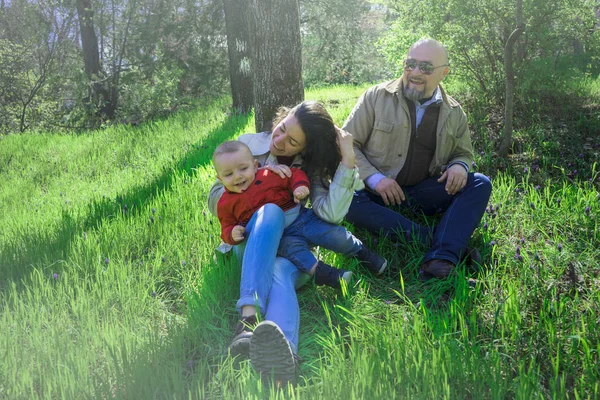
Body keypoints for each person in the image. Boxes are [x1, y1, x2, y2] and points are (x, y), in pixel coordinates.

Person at [207, 101, 382, 386]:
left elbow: (332, 214)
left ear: (304, 149)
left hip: (292, 254)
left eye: (291, 142)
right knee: (271, 211)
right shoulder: (247, 146)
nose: (279, 141)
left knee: (279, 273)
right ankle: (248, 316)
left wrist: (348, 159)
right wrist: (255, 177)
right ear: (282, 117)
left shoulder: (307, 169)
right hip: (251, 247)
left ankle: (284, 356)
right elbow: (216, 200)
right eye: (281, 128)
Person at [342, 38, 492, 281]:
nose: (415, 73)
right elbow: (347, 144)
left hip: (421, 194)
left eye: (426, 67)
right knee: (346, 200)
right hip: (373, 194)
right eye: (410, 64)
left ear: (444, 72)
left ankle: (439, 257)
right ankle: (443, 248)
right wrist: (376, 179)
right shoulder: (376, 96)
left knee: (479, 183)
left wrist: (459, 166)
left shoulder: (454, 112)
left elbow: (463, 153)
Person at [212, 140, 386, 289]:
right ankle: (330, 276)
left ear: (256, 166)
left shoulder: (268, 175)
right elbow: (226, 225)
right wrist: (231, 233)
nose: (237, 177)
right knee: (297, 254)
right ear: (220, 179)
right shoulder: (225, 202)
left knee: (333, 234)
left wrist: (299, 186)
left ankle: (364, 254)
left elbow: (294, 174)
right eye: (228, 174)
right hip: (280, 237)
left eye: (243, 169)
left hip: (301, 218)